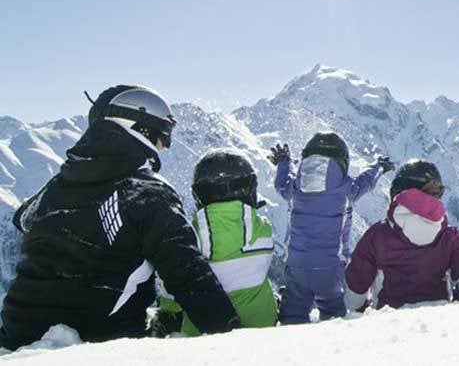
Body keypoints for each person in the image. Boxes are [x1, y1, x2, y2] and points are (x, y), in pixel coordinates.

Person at [0, 85, 239, 350]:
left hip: (16, 339)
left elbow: (23, 219)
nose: (165, 146)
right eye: (163, 134)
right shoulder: (147, 193)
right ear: (140, 127)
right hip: (96, 345)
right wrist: (234, 340)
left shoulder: (58, 185)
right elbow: (189, 274)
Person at [272, 132, 394, 323]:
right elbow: (367, 180)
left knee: (292, 316)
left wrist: (283, 162)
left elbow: (280, 183)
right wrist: (379, 166)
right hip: (330, 269)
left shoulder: (294, 188)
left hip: (297, 267)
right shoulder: (347, 189)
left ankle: (289, 342)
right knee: (334, 314)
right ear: (342, 161)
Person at [344, 160, 459, 311]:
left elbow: (355, 290)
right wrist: (456, 303)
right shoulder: (449, 236)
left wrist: (362, 309)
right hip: (438, 318)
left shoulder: (377, 235)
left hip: (389, 319)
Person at [175, 149, 278, 335]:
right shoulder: (262, 230)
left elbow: (171, 288)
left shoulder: (189, 237)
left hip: (201, 335)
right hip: (263, 328)